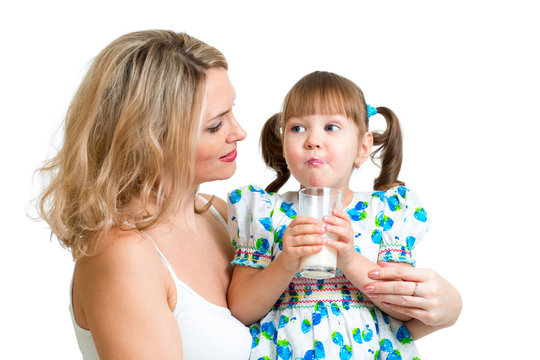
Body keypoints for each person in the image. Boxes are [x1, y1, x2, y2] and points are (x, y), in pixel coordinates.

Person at [36, 30, 251, 359]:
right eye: (215, 125)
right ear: (152, 140)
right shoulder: (123, 256)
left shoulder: (220, 217)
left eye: (232, 111)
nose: (239, 132)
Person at [227, 71, 461, 359]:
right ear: (284, 146)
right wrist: (285, 262)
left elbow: (402, 304)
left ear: (363, 147)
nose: (313, 139)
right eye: (298, 128)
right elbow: (240, 309)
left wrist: (349, 259)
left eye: (331, 127)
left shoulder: (384, 214)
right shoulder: (265, 214)